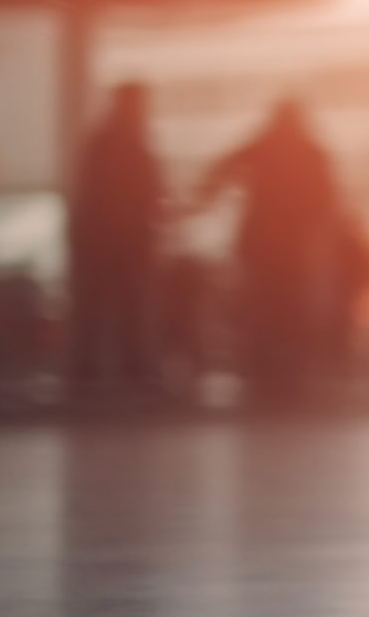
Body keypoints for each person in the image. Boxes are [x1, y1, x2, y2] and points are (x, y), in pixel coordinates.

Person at [197, 99, 344, 405]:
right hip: (292, 250)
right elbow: (330, 204)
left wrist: (202, 200)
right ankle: (288, 376)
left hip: (263, 248)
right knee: (289, 313)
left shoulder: (264, 146)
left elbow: (220, 172)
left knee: (265, 312)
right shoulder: (311, 153)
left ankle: (265, 373)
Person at [67, 81, 166, 393]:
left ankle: (91, 371)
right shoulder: (132, 144)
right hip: (123, 242)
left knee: (101, 310)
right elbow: (148, 191)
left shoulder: (103, 142)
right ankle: (131, 370)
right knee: (128, 309)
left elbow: (89, 194)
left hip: (104, 242)